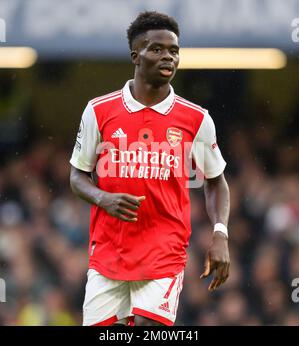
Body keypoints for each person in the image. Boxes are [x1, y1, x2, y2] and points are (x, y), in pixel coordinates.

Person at [69, 11, 230, 327]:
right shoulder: (99, 111)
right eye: (157, 49)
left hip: (163, 253)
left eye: (174, 50)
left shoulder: (195, 119)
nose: (168, 56)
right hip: (108, 255)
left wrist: (220, 232)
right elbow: (77, 175)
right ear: (135, 56)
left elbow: (215, 181)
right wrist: (103, 199)